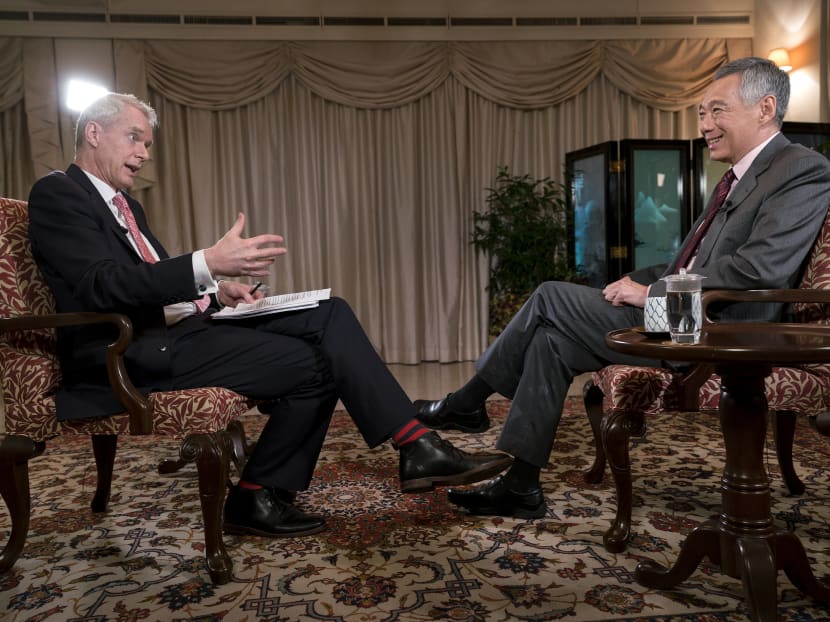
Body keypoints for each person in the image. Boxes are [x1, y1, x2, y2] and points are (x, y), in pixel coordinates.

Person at [27, 92, 512, 538]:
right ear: (94, 133)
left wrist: (216, 293)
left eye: (149, 143)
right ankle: (268, 492)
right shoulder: (58, 194)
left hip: (175, 331)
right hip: (126, 353)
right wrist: (206, 263)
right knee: (318, 365)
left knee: (329, 311)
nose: (145, 153)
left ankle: (412, 447)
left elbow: (151, 287)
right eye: (135, 138)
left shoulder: (126, 205)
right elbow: (101, 284)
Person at [415, 56, 830, 518]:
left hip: (721, 328)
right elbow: (694, 261)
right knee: (551, 342)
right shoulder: (738, 176)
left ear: (766, 107)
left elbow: (760, 270)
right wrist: (642, 278)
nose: (705, 125)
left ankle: (466, 403)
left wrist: (651, 294)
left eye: (717, 110)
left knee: (550, 295)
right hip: (689, 314)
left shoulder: (799, 168)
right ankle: (520, 486)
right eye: (701, 113)